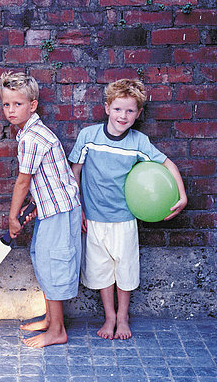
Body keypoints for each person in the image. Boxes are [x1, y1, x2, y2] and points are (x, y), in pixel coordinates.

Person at [69, 78, 187, 340]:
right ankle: (109, 316)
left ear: (139, 113)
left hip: (124, 219)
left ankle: (123, 316)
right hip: (94, 219)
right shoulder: (88, 136)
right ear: (107, 107)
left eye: (130, 110)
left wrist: (182, 195)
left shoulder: (138, 142)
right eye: (118, 109)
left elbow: (168, 164)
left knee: (125, 270)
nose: (123, 116)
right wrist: (80, 210)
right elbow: (74, 173)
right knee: (101, 270)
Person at [0, 71, 82, 348]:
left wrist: (13, 216)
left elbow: (23, 181)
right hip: (50, 208)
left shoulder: (32, 137)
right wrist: (35, 204)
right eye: (6, 104)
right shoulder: (28, 132)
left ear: (32, 105)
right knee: (41, 258)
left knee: (53, 264)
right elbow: (46, 177)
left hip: (59, 211)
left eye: (17, 104)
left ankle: (57, 329)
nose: (11, 110)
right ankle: (50, 318)